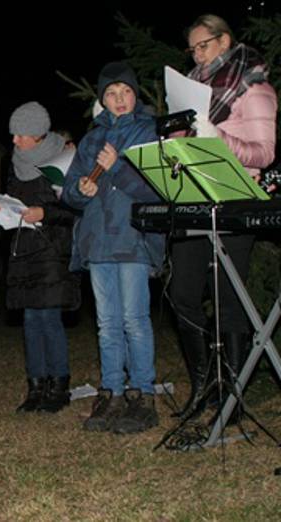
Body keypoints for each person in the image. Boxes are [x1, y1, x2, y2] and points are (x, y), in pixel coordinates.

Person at [170, 14, 277, 420]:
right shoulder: (192, 90)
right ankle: (203, 386)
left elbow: (264, 154)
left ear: (225, 40)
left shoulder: (254, 87)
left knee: (228, 300)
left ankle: (232, 397)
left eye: (204, 46)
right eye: (193, 49)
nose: (197, 55)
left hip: (235, 200)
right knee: (182, 293)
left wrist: (218, 138)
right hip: (193, 197)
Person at [62, 62, 165, 434]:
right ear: (102, 100)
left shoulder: (149, 132)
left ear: (135, 95)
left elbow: (157, 191)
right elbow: (72, 191)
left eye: (125, 92)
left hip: (133, 239)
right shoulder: (91, 140)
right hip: (99, 241)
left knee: (134, 321)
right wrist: (80, 191)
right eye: (111, 94)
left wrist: (117, 168)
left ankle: (143, 394)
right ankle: (112, 393)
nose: (119, 99)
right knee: (107, 324)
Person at [0, 101, 80, 413]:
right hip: (23, 250)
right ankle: (36, 386)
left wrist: (45, 212)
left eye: (19, 135)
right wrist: (0, 213)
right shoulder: (15, 164)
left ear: (37, 134)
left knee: (48, 319)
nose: (14, 141)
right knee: (30, 321)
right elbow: (15, 204)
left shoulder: (63, 159)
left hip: (52, 250)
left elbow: (73, 208)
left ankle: (58, 386)